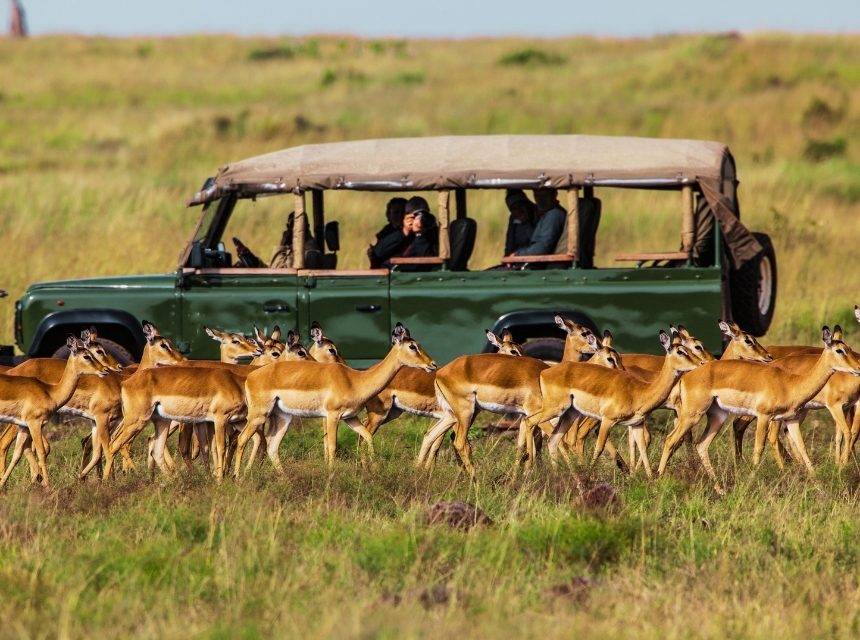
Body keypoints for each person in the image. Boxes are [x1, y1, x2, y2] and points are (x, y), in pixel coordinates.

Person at [511, 188, 566, 257]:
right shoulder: (544, 214)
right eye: (537, 195)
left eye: (544, 196)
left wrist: (518, 254)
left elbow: (543, 247)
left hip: (547, 261)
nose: (540, 200)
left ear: (554, 194)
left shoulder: (554, 214)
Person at [368, 199, 416, 268]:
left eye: (403, 212)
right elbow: (378, 252)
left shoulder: (415, 230)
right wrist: (403, 232)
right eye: (396, 212)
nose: (400, 215)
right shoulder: (386, 232)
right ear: (388, 215)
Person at [503, 189, 536, 256]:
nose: (519, 210)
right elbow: (510, 244)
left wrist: (526, 223)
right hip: (516, 256)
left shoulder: (537, 214)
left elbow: (537, 243)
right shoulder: (513, 219)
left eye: (521, 205)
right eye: (514, 208)